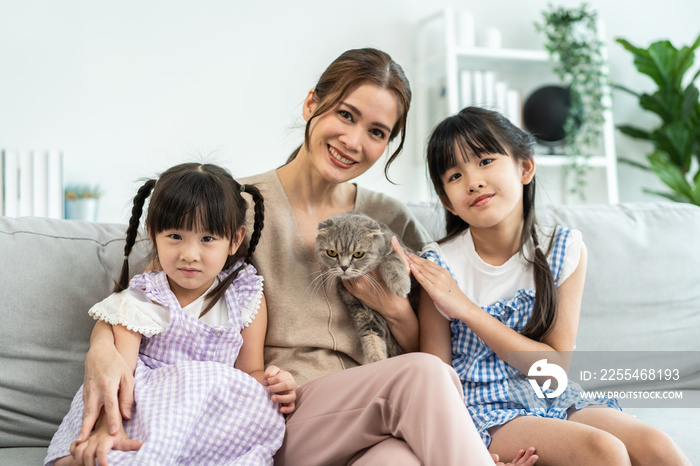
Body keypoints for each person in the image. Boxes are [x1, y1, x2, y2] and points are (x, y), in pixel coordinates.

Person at [74, 50, 537, 466]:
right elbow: (150, 293)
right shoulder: (241, 208)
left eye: (376, 132)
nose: (354, 142)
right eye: (346, 115)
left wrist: (394, 310)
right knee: (421, 376)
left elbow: (427, 348)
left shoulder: (388, 218)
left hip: (379, 416)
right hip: (286, 416)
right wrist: (100, 349)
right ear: (311, 104)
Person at [408, 107, 691, 465]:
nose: (473, 181)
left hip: (551, 393)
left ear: (525, 167)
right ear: (447, 200)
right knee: (605, 452)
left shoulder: (564, 248)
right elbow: (436, 379)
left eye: (484, 161)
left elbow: (554, 368)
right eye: (454, 175)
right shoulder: (439, 264)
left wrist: (466, 309)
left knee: (658, 447)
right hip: (484, 408)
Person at [45, 163, 297, 465]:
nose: (189, 254)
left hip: (209, 418)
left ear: (234, 239)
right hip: (145, 407)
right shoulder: (143, 296)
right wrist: (106, 430)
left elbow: (249, 374)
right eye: (175, 236)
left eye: (207, 239)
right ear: (152, 233)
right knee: (107, 455)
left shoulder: (245, 294)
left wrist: (275, 383)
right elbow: (121, 376)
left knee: (260, 413)